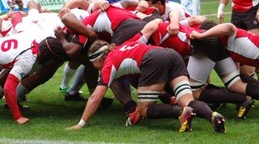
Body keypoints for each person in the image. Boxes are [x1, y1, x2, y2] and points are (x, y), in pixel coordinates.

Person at [69, 22, 226, 133]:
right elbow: (151, 27)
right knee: (187, 100)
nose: (94, 67)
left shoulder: (108, 63)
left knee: (144, 110)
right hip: (171, 55)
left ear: (98, 59)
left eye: (93, 64)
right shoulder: (127, 43)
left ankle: (180, 112)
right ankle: (212, 115)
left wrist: (81, 123)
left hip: (154, 60)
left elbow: (96, 96)